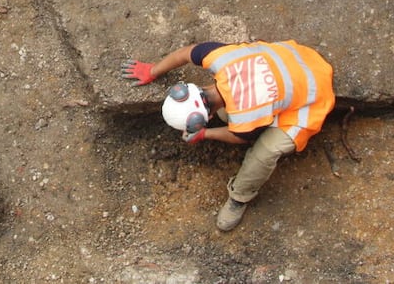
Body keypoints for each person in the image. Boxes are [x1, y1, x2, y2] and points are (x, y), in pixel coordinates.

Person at [121, 40, 335, 232]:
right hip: (298, 56)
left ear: (207, 116)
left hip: (313, 98)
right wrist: (153, 70)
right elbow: (186, 53)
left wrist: (205, 133)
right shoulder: (218, 58)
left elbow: (240, 137)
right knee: (232, 111)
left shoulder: (247, 117)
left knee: (265, 152)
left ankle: (239, 197)